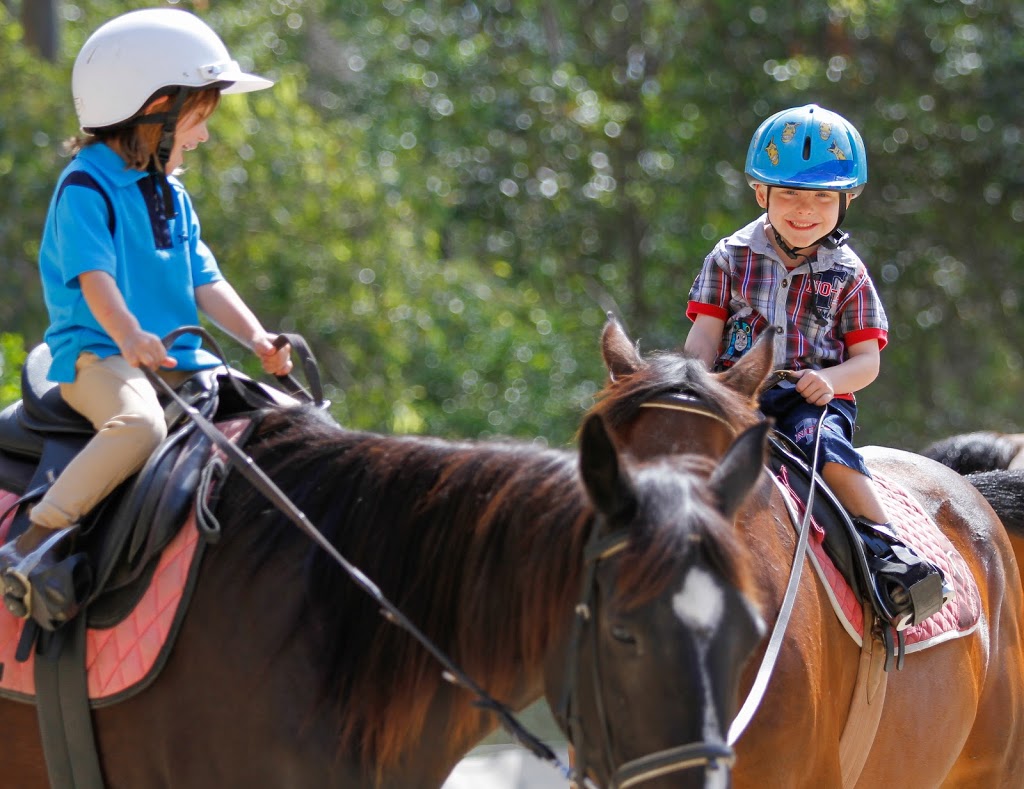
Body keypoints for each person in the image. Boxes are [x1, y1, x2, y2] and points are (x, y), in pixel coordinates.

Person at [0, 8, 293, 628]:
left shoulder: (170, 190)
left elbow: (204, 280)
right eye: (199, 117)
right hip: (97, 358)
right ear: (155, 106)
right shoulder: (85, 188)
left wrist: (257, 337)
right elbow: (95, 281)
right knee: (138, 426)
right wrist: (130, 336)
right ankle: (36, 541)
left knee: (291, 419)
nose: (205, 136)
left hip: (174, 359)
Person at [683, 103, 950, 630]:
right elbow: (705, 335)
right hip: (735, 393)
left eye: (823, 198)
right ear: (761, 194)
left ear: (846, 200)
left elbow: (867, 360)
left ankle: (884, 545)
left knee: (820, 446)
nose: (805, 210)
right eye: (789, 195)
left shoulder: (848, 272)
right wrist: (696, 384)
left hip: (810, 399)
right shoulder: (729, 256)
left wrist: (829, 381)